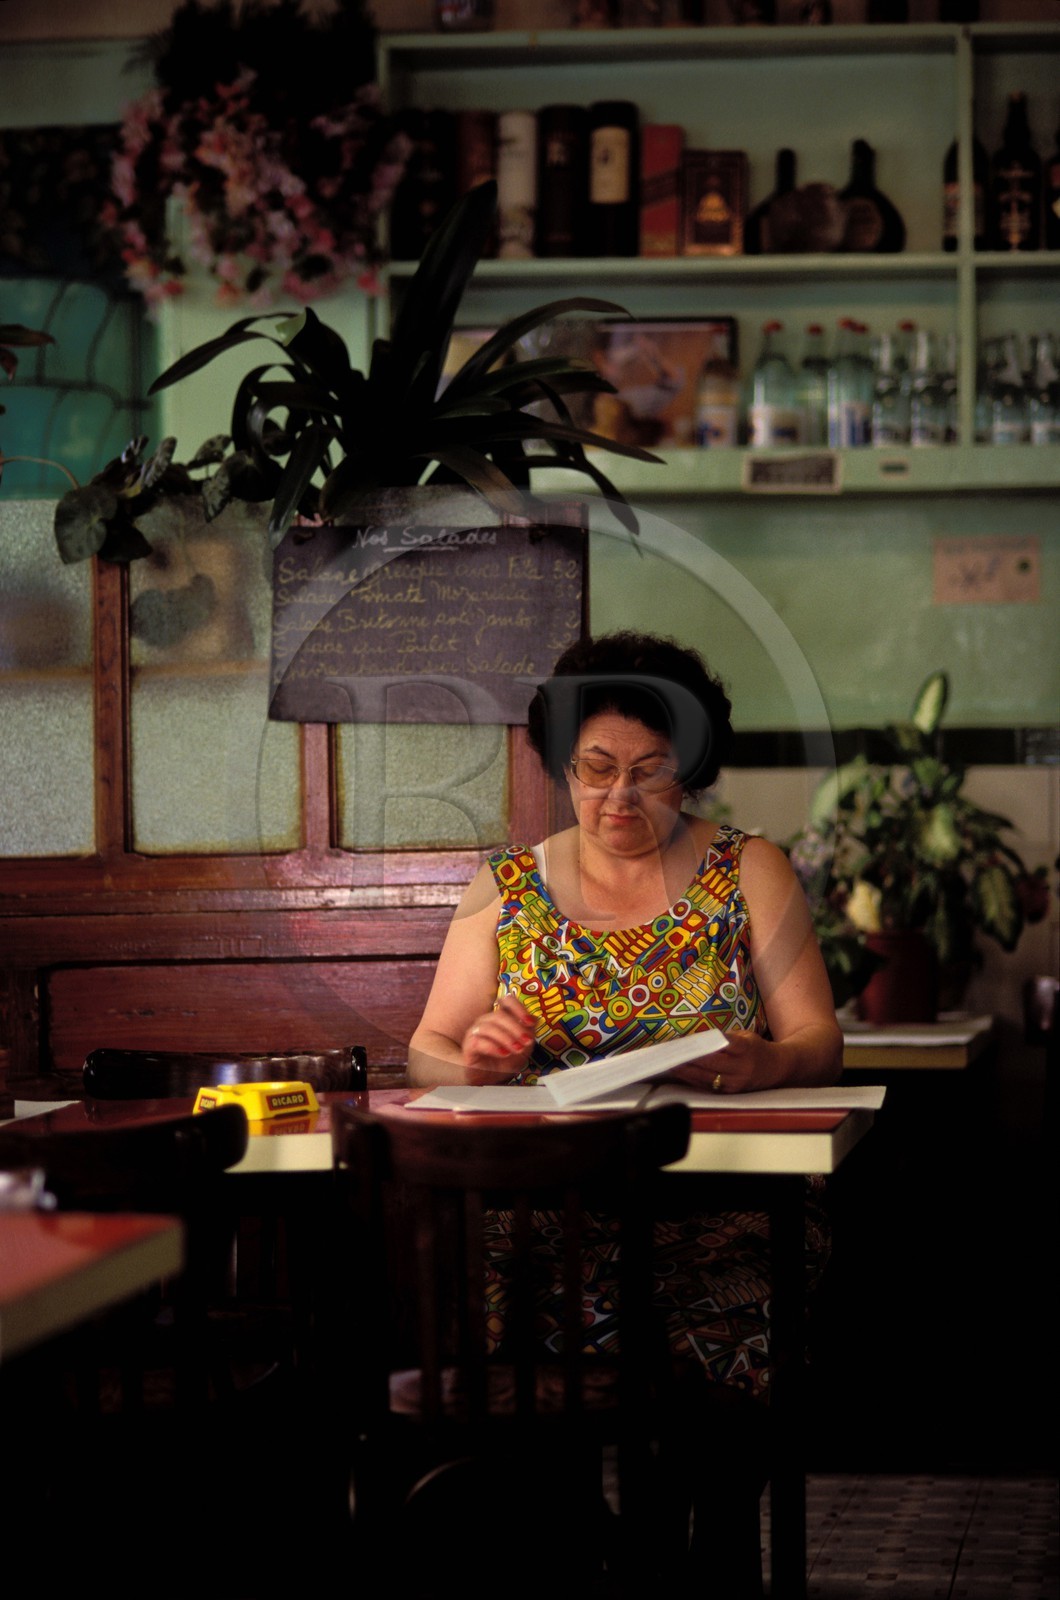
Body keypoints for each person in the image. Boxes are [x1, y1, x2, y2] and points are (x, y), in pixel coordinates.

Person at [408, 629, 843, 1591]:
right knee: (505, 1324)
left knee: (733, 1342)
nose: (620, 797)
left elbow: (820, 1042)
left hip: (724, 1218)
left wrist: (766, 1059)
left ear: (689, 771)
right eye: (596, 769)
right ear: (562, 765)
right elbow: (426, 1048)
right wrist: (475, 1061)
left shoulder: (747, 871)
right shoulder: (508, 888)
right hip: (547, 1220)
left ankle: (709, 1540)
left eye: (651, 772)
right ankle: (582, 1539)